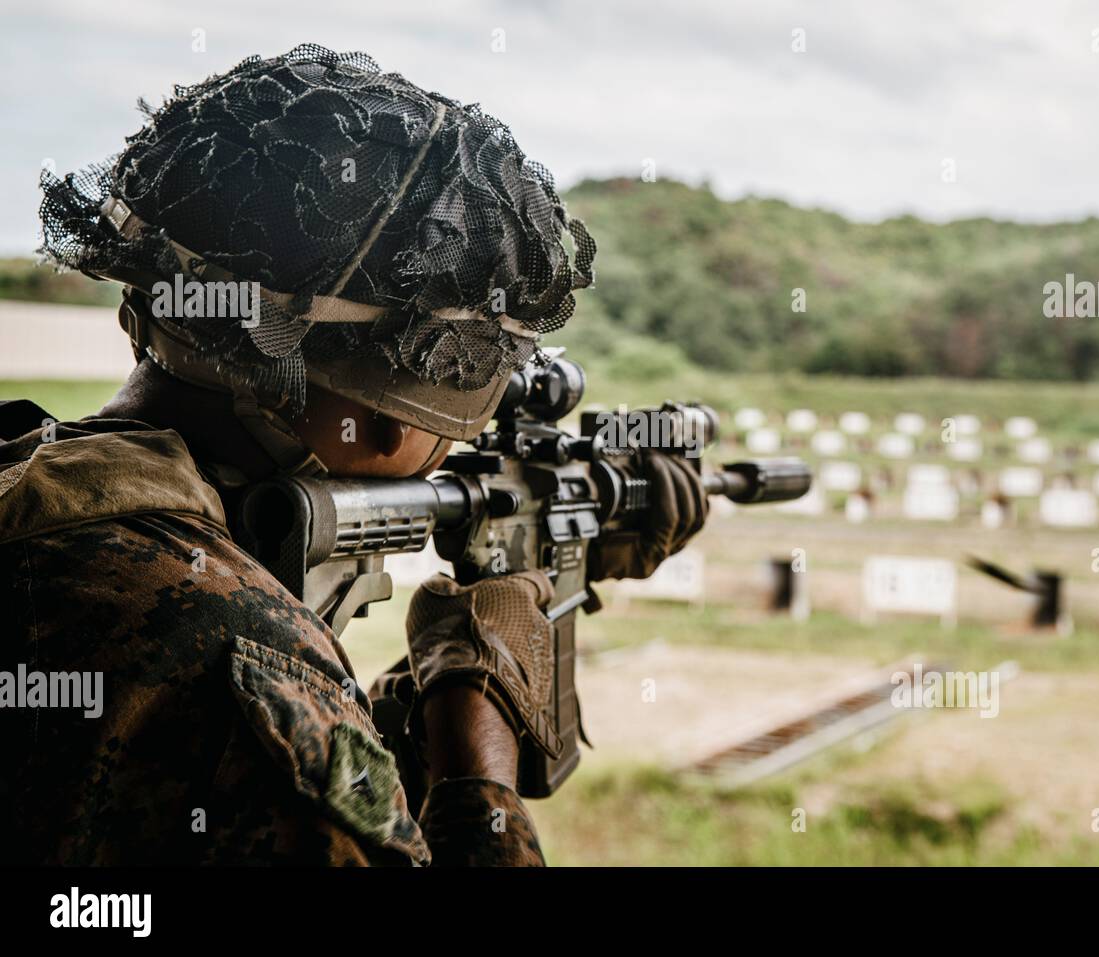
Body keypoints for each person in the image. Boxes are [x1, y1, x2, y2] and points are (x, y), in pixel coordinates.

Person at [0, 45, 705, 866]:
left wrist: (426, 689)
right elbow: (256, 737)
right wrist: (480, 763)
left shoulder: (42, 494)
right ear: (385, 421)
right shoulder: (227, 654)